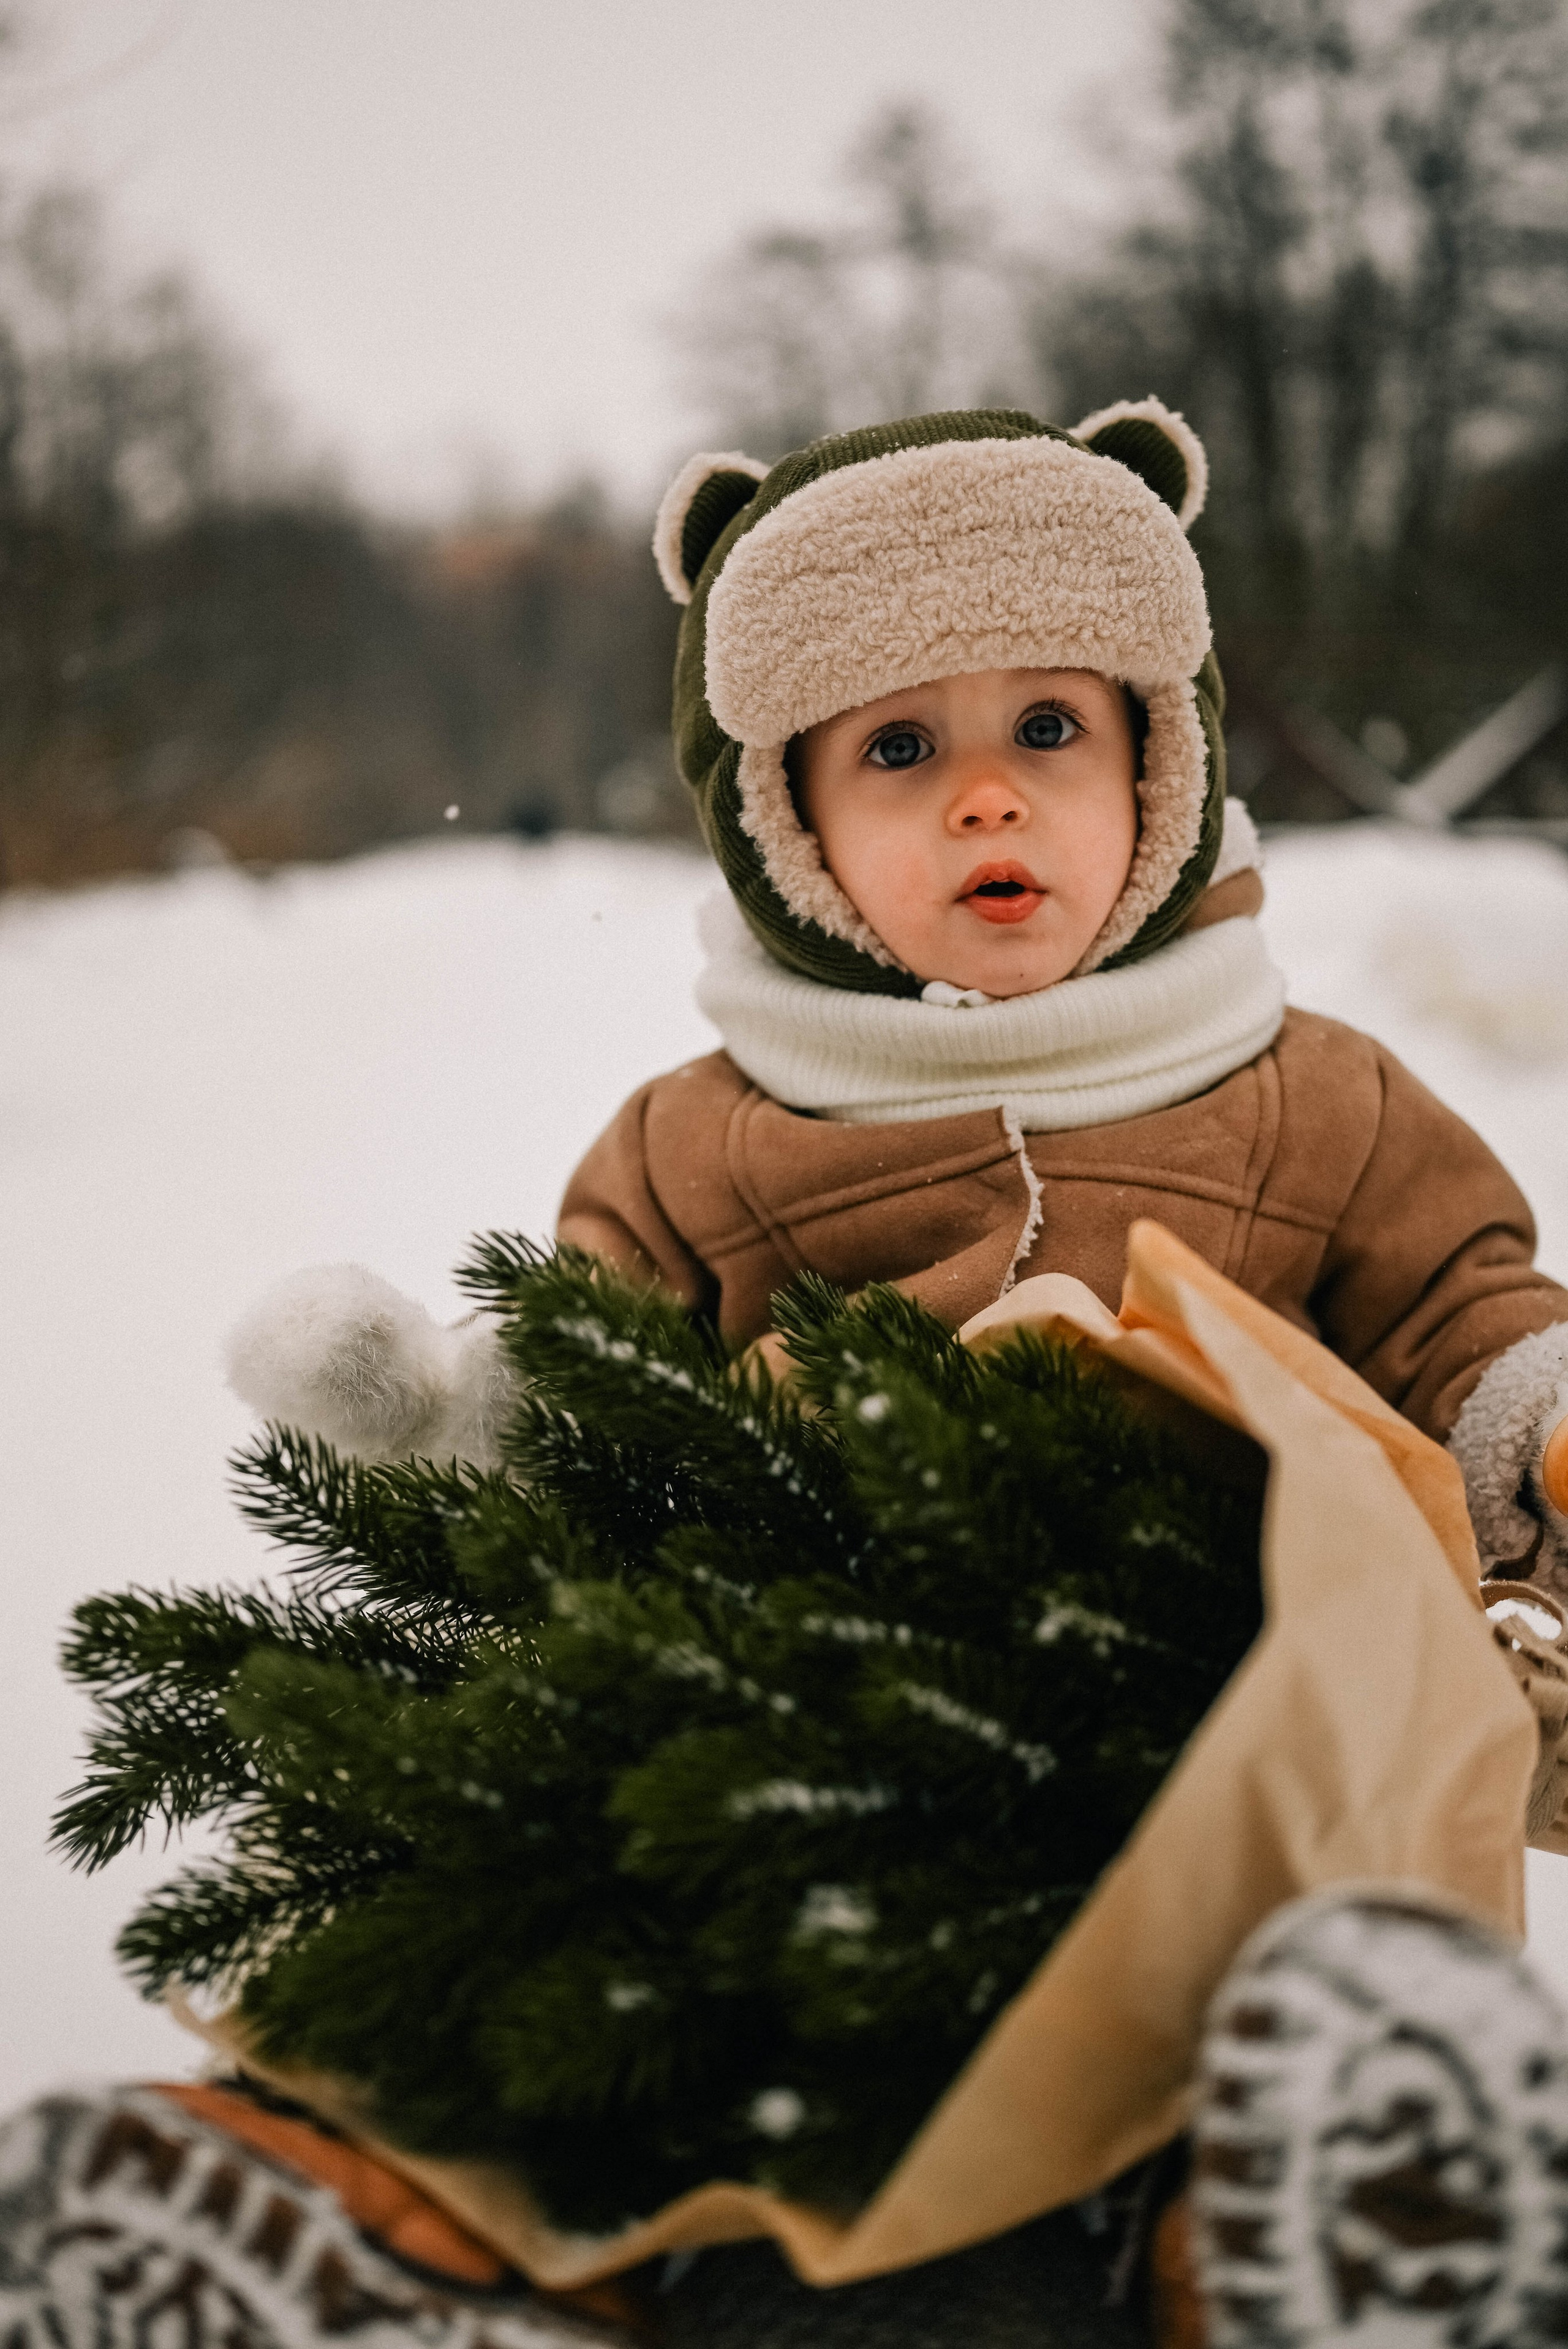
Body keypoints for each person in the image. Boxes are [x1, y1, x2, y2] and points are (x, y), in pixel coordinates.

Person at [230, 401, 1568, 1585]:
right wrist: (448, 1415)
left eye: (1048, 728)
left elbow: (1453, 1304)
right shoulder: (699, 1145)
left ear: (1158, 772)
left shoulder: (1311, 1095)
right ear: (785, 827)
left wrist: (1542, 1418)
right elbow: (599, 1384)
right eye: (898, 745)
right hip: (834, 1729)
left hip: (1249, 1699)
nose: (986, 795)